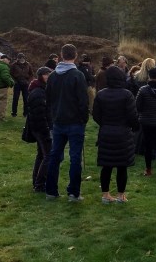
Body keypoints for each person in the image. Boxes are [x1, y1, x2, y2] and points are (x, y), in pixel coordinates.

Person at [45, 44, 89, 202]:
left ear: (62, 55)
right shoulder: (77, 75)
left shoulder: (52, 76)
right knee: (75, 157)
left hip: (58, 121)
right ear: (75, 56)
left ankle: (50, 190)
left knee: (55, 156)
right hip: (74, 122)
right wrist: (84, 119)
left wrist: (53, 116)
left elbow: (48, 100)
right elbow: (83, 101)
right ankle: (73, 193)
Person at [93, 66, 139, 203]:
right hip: (123, 133)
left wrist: (105, 124)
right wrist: (134, 127)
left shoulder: (101, 94)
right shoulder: (127, 94)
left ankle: (105, 195)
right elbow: (132, 115)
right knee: (122, 166)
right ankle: (121, 195)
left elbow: (95, 115)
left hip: (106, 132)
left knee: (106, 166)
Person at [27, 66, 52, 192]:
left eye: (49, 74)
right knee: (48, 155)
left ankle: (36, 181)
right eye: (46, 74)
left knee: (41, 155)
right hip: (41, 128)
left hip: (38, 127)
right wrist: (47, 129)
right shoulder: (38, 92)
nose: (48, 76)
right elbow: (39, 114)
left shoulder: (42, 89)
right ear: (40, 76)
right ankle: (40, 184)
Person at [10, 52, 34, 117]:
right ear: (18, 58)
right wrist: (14, 81)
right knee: (15, 98)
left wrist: (28, 81)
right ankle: (14, 112)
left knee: (26, 98)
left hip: (25, 83)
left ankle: (26, 113)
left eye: (22, 57)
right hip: (17, 82)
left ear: (24, 58)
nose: (21, 59)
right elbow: (11, 74)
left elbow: (31, 74)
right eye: (20, 58)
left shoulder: (28, 65)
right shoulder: (14, 65)